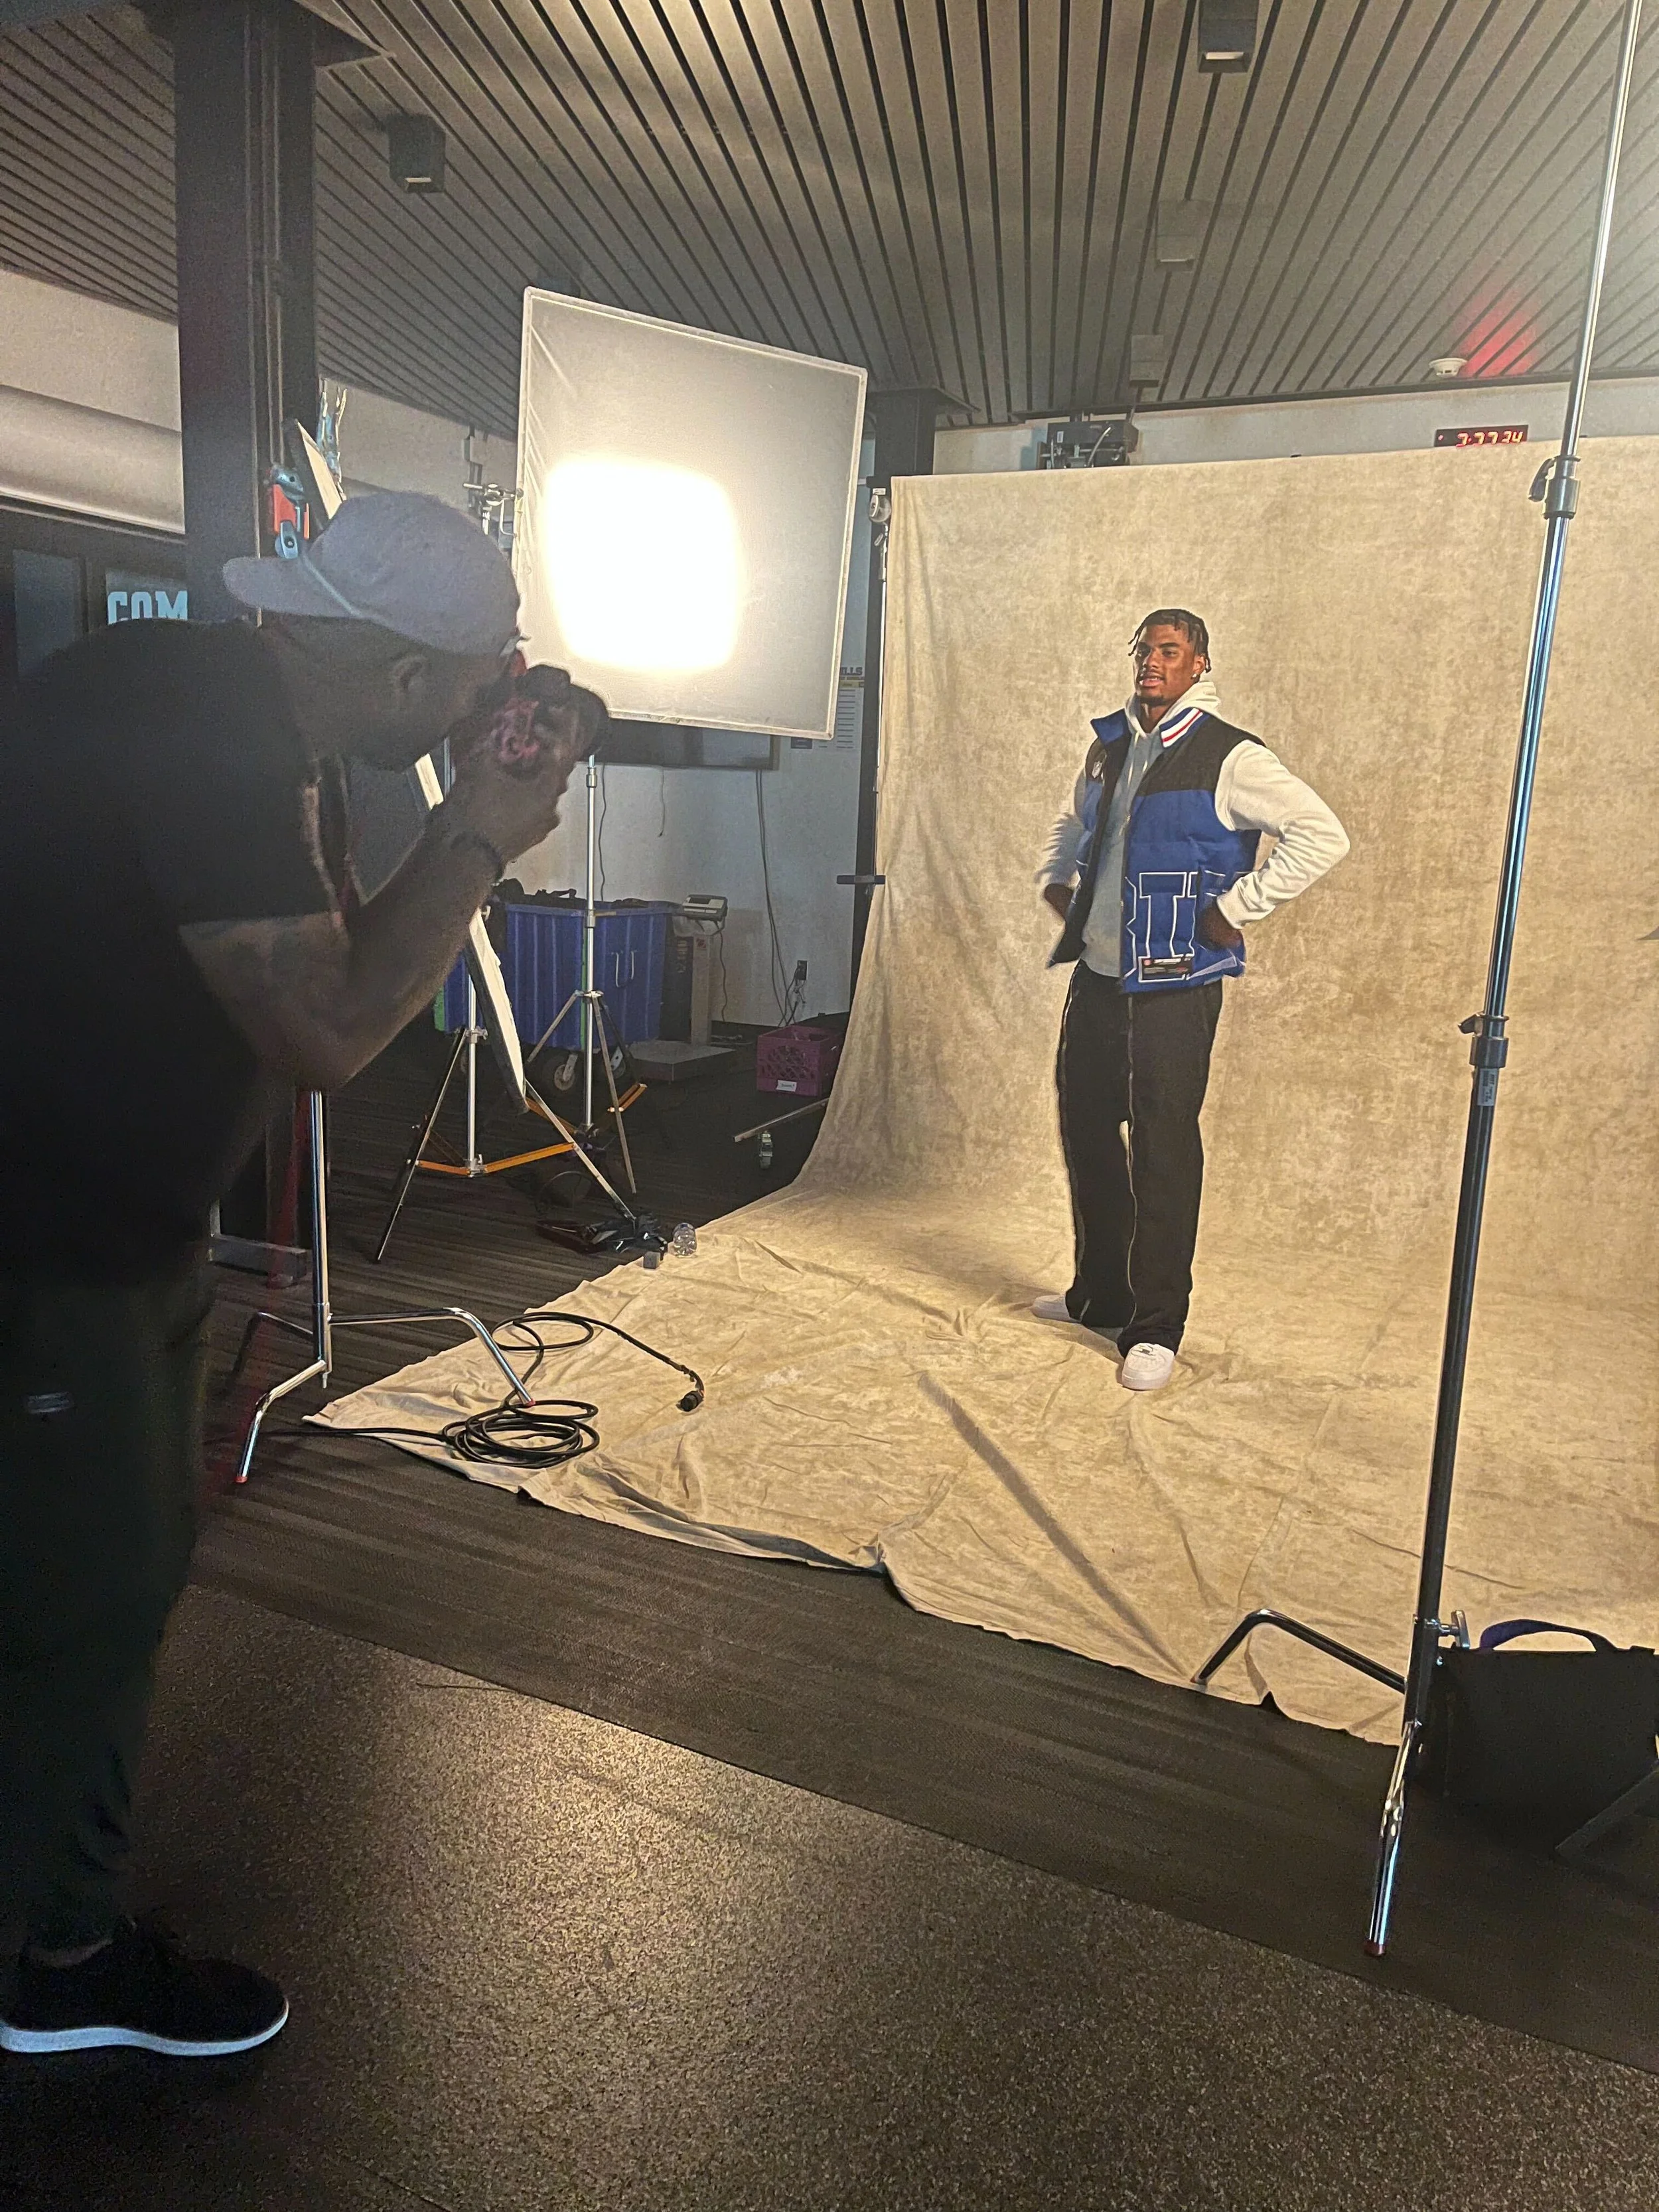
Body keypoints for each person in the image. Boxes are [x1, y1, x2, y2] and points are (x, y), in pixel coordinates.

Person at [0, 492, 600, 2059]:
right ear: (400, 678)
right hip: (51, 1237)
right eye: (482, 678)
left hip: (98, 1212)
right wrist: (475, 831)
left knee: (59, 1563)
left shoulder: (213, 705)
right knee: (102, 1588)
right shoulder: (214, 742)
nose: (496, 700)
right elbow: (327, 1031)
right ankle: (55, 1966)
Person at [1035, 608, 1348, 1392]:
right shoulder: (1111, 745)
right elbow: (1076, 824)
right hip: (1099, 976)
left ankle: (1155, 1325)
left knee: (1163, 1146)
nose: (1151, 662)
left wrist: (1235, 909)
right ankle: (1100, 1295)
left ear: (1199, 664)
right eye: (1143, 650)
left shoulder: (1230, 755)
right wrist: (1059, 880)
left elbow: (1321, 833)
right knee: (1088, 1129)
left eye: (1168, 651)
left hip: (1176, 983)